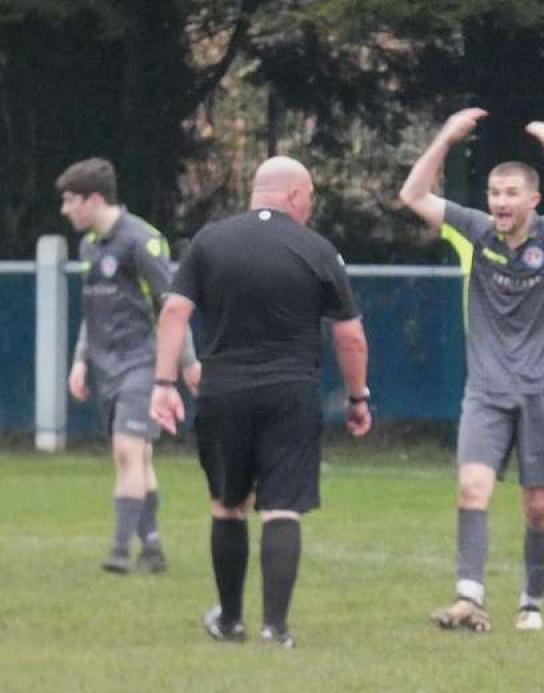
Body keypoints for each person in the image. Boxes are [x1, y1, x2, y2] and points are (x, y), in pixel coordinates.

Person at [399, 108, 544, 632]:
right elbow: (413, 196)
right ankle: (469, 599)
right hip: (487, 391)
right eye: (494, 194)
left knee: (537, 509)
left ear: (532, 200)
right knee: (472, 488)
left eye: (509, 194)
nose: (499, 203)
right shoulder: (472, 233)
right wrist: (444, 138)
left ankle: (531, 602)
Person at [150, 156, 372, 648]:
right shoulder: (317, 249)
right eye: (310, 198)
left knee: (228, 505)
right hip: (290, 393)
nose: (311, 208)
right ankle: (276, 628)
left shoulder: (209, 240)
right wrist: (358, 397)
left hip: (222, 390)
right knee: (281, 507)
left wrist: (164, 384)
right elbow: (351, 337)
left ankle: (230, 620)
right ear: (294, 194)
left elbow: (174, 313)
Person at [57, 157, 200, 575]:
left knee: (127, 451)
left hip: (144, 362)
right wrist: (80, 360)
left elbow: (171, 308)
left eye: (70, 201)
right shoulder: (89, 246)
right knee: (139, 458)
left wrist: (186, 364)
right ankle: (152, 547)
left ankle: (119, 552)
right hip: (106, 365)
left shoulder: (142, 241)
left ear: (94, 199)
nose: (65, 210)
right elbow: (93, 309)